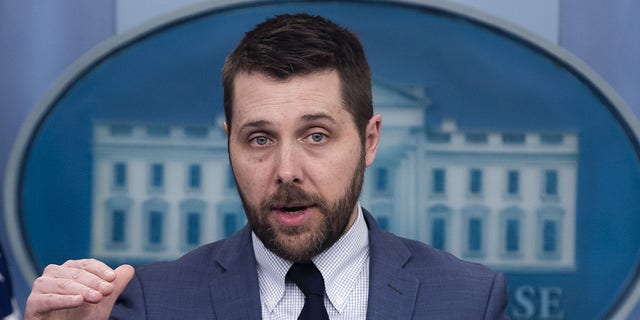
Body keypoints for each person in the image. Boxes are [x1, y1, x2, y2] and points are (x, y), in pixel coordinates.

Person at [25, 13, 507, 319]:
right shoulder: (153, 303)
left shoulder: (468, 300)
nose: (287, 170)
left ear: (369, 140)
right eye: (259, 139)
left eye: (316, 135)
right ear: (229, 144)